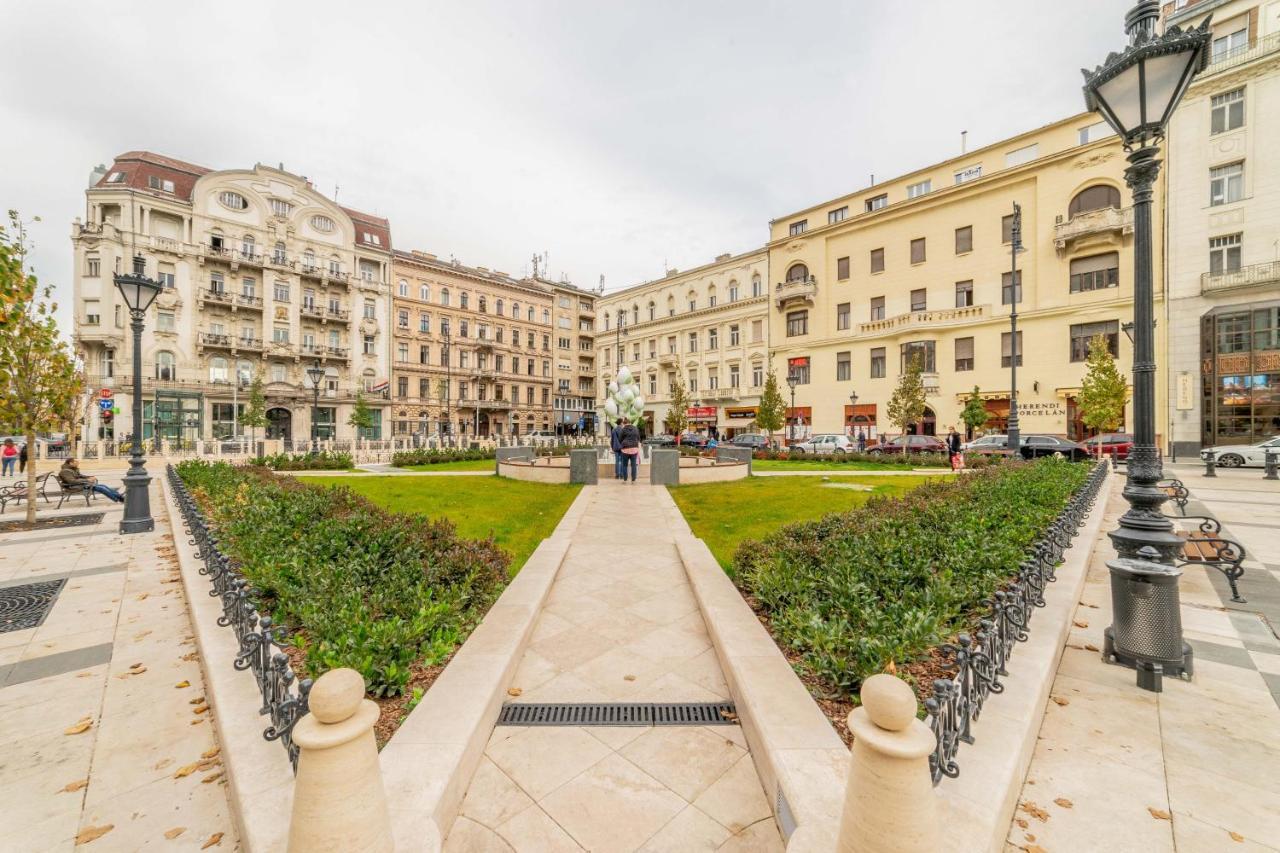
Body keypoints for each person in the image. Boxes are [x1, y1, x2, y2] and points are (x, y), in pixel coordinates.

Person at [58, 458, 124, 503]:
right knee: (101, 488)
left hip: (80, 484)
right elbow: (72, 481)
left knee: (103, 485)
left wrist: (89, 477)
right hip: (74, 486)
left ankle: (119, 497)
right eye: (75, 462)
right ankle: (119, 499)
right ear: (70, 463)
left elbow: (80, 476)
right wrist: (87, 480)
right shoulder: (65, 471)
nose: (78, 463)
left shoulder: (72, 469)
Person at [619, 418, 641, 482]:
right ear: (630, 422)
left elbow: (620, 439)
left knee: (624, 465)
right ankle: (633, 479)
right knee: (633, 465)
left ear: (624, 423)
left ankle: (625, 479)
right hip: (634, 449)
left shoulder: (623, 429)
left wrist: (623, 443)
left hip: (625, 449)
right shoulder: (636, 429)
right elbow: (638, 438)